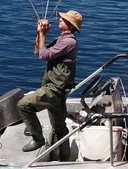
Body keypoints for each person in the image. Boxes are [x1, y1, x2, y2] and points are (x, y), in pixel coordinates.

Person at [18, 9, 83, 155]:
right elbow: (38, 51)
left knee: (23, 105)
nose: (60, 19)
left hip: (55, 89)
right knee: (59, 127)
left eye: (64, 19)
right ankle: (65, 159)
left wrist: (42, 34)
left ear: (71, 25)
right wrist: (41, 34)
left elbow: (43, 55)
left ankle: (37, 137)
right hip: (58, 89)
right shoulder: (61, 39)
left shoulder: (69, 42)